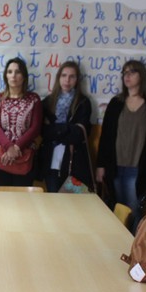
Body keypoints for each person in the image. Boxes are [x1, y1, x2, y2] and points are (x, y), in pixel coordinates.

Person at [96, 59, 146, 230]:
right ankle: (119, 240)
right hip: (115, 165)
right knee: (118, 207)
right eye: (124, 73)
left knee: (134, 208)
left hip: (138, 167)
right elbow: (105, 137)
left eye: (132, 72)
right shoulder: (116, 103)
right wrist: (100, 165)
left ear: (141, 75)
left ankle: (133, 241)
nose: (127, 76)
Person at [39, 61, 93, 193]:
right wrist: (68, 128)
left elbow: (78, 134)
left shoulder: (83, 102)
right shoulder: (47, 102)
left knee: (72, 203)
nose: (67, 80)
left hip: (74, 163)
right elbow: (43, 132)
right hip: (51, 161)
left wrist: (54, 129)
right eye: (64, 75)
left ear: (77, 80)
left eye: (72, 76)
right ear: (58, 77)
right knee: (53, 201)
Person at [0, 57, 42, 187]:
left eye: (18, 72)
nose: (13, 75)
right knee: (1, 199)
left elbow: (35, 128)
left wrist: (16, 147)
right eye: (10, 72)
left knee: (22, 199)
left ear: (24, 76)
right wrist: (9, 147)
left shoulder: (33, 99)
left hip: (25, 158)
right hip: (0, 158)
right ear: (5, 76)